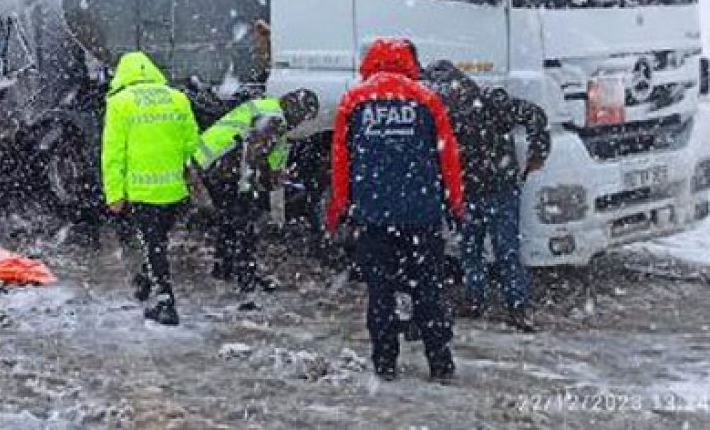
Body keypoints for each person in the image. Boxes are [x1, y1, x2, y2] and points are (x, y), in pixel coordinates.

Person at [327, 38, 465, 382]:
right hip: (422, 215)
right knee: (429, 289)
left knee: (380, 293)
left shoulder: (353, 100)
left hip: (374, 218)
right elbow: (448, 157)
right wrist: (455, 204)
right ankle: (440, 362)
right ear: (408, 62)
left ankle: (385, 363)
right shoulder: (426, 99)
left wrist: (339, 209)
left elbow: (341, 163)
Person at [422, 61, 550, 333]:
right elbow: (534, 115)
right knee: (491, 251)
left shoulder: (479, 104)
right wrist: (538, 150)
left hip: (487, 191)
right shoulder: (485, 102)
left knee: (483, 250)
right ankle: (508, 305)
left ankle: (494, 302)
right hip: (487, 189)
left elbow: (534, 115)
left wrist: (538, 151)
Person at [101, 52, 200, 326]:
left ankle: (166, 302)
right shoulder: (178, 98)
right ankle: (145, 281)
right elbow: (192, 145)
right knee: (157, 242)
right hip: (174, 191)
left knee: (153, 244)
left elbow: (112, 154)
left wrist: (114, 194)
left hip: (143, 191)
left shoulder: (119, 103)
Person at [191, 90, 319, 292]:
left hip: (211, 163)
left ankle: (224, 269)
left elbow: (268, 157)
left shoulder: (270, 111)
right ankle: (245, 278)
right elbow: (254, 156)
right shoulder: (273, 119)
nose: (301, 123)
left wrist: (274, 178)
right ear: (296, 111)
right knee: (243, 223)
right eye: (303, 117)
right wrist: (254, 186)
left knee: (230, 220)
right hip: (221, 165)